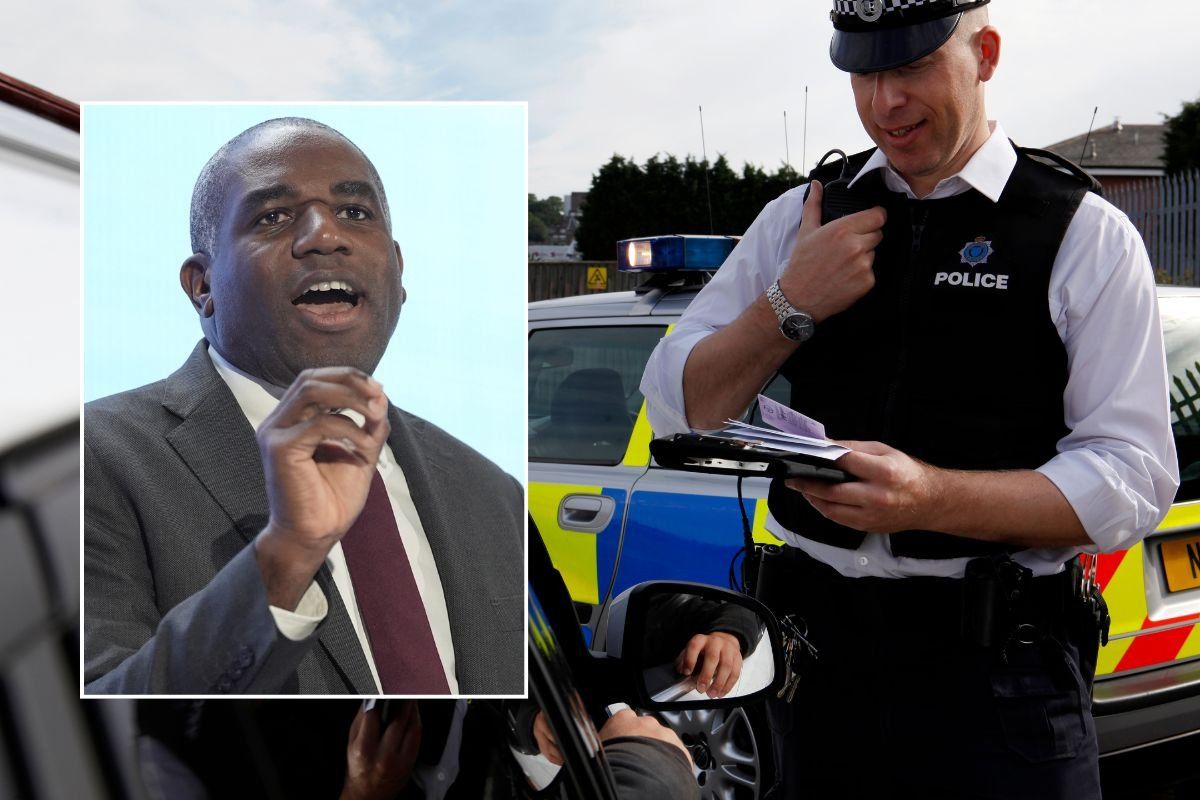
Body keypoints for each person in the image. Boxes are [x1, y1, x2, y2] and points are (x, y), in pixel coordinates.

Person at [640, 2, 1178, 798]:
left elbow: (1133, 478)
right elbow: (680, 408)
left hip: (1001, 680)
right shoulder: (801, 217)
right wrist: (790, 304)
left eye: (913, 66)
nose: (884, 101)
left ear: (985, 53)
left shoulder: (1081, 232)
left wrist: (929, 497)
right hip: (815, 671)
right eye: (863, 73)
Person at [85, 117, 524, 695]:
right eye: (273, 216)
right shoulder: (94, 457)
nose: (324, 235)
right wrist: (286, 557)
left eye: (355, 212)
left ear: (398, 271)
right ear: (202, 285)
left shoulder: (493, 492)